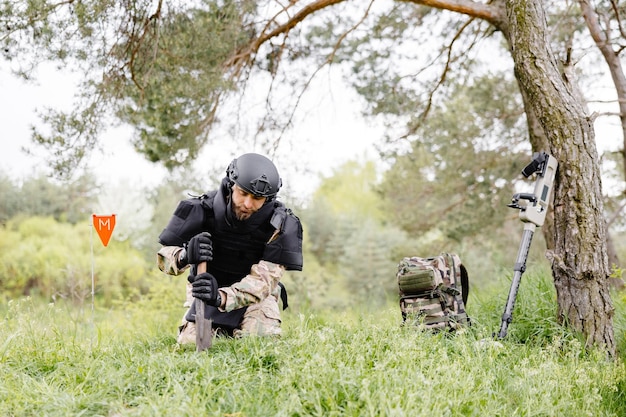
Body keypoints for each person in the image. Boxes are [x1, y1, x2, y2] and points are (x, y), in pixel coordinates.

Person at [157, 153, 303, 343]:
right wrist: (184, 255)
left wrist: (221, 298)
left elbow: (264, 281)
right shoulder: (201, 210)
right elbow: (163, 261)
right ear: (230, 186)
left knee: (260, 344)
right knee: (190, 345)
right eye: (243, 193)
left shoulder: (279, 225)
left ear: (268, 199)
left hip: (255, 299)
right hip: (205, 293)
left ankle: (240, 327)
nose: (248, 204)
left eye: (257, 198)